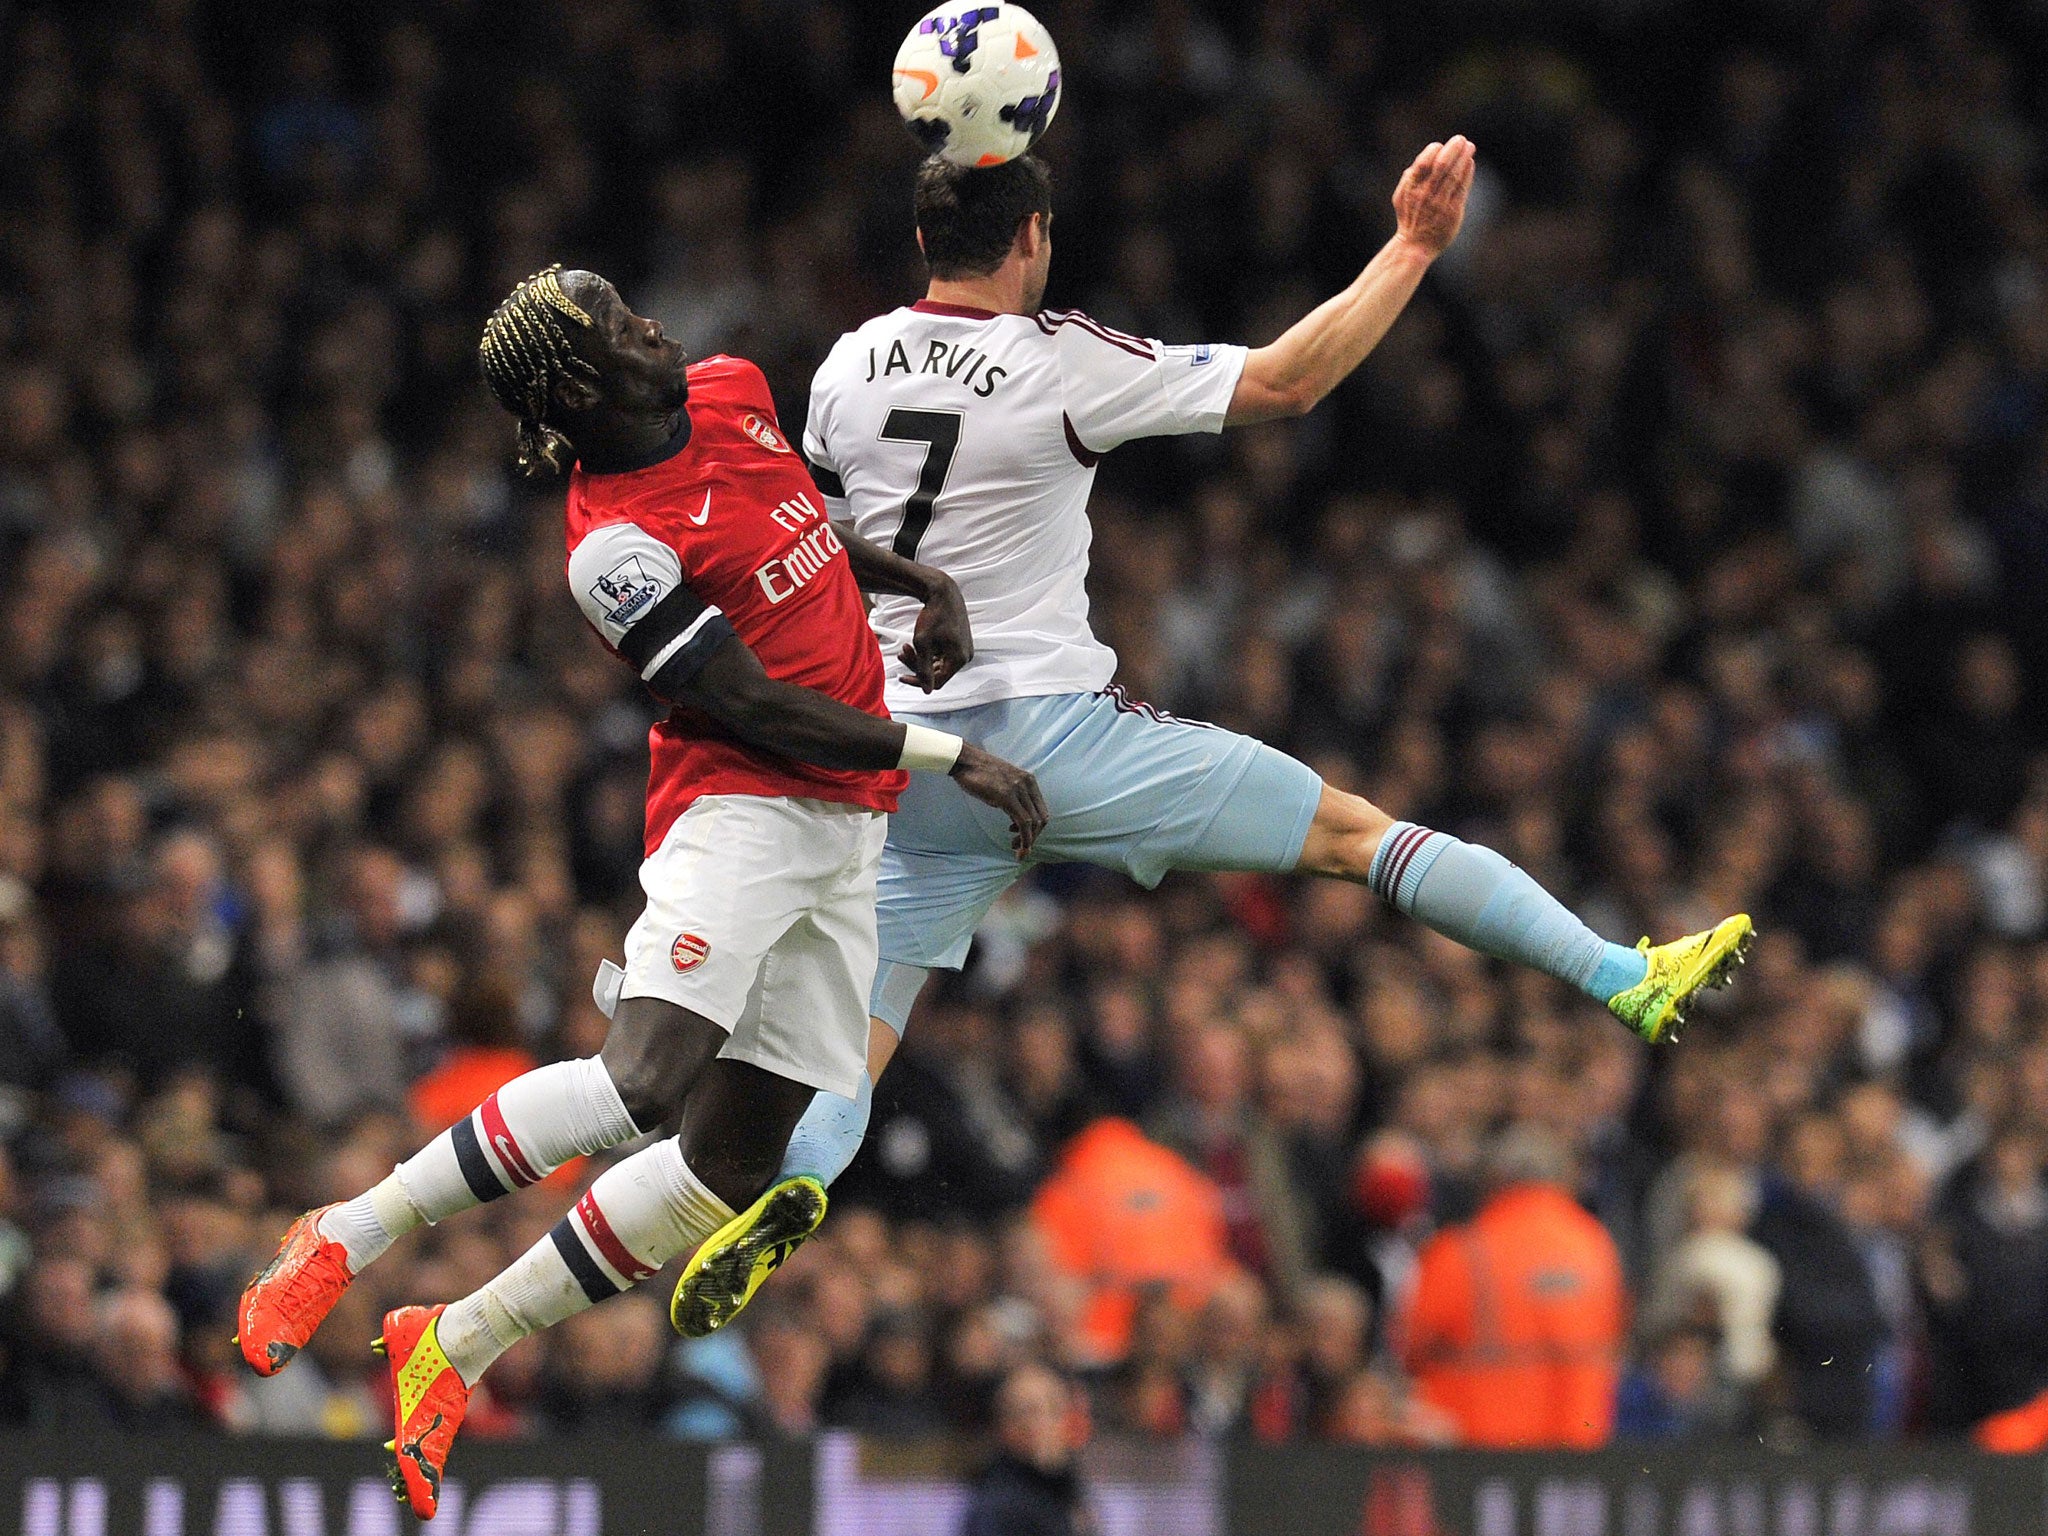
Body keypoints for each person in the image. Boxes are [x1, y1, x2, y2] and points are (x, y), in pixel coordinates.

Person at [678, 139, 1753, 1325]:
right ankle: (1620, 975)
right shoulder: (1058, 360)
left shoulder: (843, 366)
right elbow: (1288, 380)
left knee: (859, 1042)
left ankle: (785, 1192)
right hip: (1043, 740)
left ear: (923, 242)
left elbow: (813, 550)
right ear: (1030, 237)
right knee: (1353, 836)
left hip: (897, 757)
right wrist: (1410, 250)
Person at [234, 265, 1047, 1518]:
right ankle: (344, 1231)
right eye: (614, 323)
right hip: (739, 809)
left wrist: (918, 583)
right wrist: (948, 755)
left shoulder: (732, 387)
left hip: (844, 826)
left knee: (728, 1164)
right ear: (576, 386)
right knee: (642, 1082)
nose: (650, 323)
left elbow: (804, 525)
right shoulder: (610, 548)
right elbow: (744, 700)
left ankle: (452, 1341)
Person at [1402, 1125, 1626, 1448]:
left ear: (1492, 1180)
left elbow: (1411, 1347)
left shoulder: (1460, 1251)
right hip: (1578, 1453)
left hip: (1481, 1454)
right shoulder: (1597, 1245)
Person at [960, 1363, 1095, 1536]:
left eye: (1053, 1408)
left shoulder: (1068, 1487)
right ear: (1004, 1425)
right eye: (1028, 1411)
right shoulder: (999, 1504)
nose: (1041, 1423)